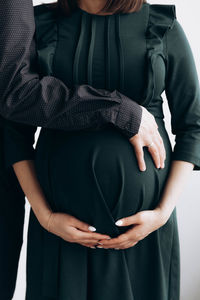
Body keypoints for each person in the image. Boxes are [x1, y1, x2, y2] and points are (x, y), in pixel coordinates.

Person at [2, 0, 200, 299]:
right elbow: (13, 132)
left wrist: (160, 214)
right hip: (60, 232)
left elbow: (194, 127)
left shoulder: (161, 25)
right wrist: (45, 216)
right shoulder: (40, 24)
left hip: (144, 233)